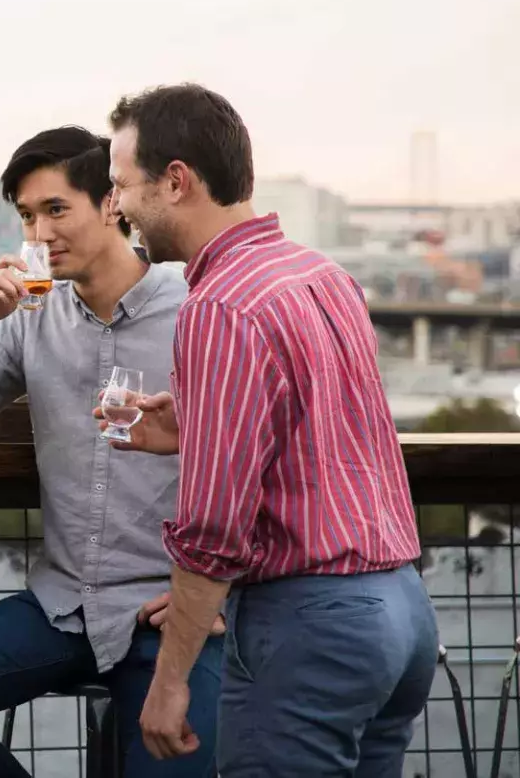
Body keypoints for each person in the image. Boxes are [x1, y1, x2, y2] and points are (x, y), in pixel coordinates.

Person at [103, 83, 434, 775]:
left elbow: (213, 530)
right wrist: (197, 428)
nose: (117, 207)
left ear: (175, 181)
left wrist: (169, 684)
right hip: (402, 611)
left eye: (122, 186)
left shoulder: (220, 306)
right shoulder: (320, 274)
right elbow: (322, 437)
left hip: (312, 626)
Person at [0, 126, 225, 777]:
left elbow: (266, 460)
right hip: (62, 605)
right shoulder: (31, 317)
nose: (39, 233)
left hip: (169, 615)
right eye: (27, 216)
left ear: (112, 205)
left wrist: (224, 597)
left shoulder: (196, 312)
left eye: (56, 210)